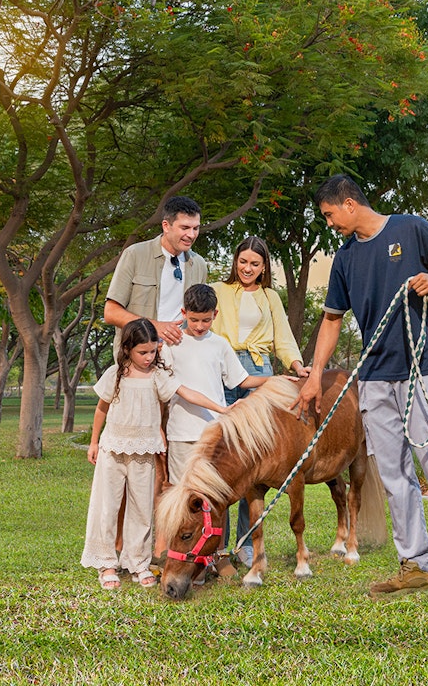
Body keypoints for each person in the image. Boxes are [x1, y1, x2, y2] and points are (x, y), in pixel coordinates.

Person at [290, 174, 428, 607]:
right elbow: (331, 319)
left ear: (349, 204)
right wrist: (314, 376)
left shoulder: (410, 228)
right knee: (395, 476)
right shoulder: (345, 258)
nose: (330, 224)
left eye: (330, 215)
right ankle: (416, 565)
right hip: (375, 379)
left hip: (422, 372)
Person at [81, 318, 228, 590]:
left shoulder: (158, 376)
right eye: (143, 352)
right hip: (112, 449)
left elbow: (187, 393)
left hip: (144, 452)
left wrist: (222, 409)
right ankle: (106, 563)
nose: (149, 357)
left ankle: (137, 562)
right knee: (107, 506)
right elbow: (101, 409)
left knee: (141, 508)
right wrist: (93, 442)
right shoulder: (114, 375)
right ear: (127, 349)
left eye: (153, 351)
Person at [211, 236, 310, 565]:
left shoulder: (270, 298)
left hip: (261, 371)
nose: (247, 268)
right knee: (224, 458)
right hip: (224, 366)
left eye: (255, 264)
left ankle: (246, 542)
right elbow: (198, 323)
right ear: (234, 261)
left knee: (253, 461)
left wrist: (298, 367)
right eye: (243, 262)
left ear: (264, 267)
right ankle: (218, 545)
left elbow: (283, 337)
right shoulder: (219, 290)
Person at [162, 284, 272, 485]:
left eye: (206, 320)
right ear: (184, 313)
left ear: (215, 314)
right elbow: (166, 389)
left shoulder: (220, 344)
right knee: (181, 491)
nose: (199, 326)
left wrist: (274, 379)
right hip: (181, 433)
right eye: (194, 320)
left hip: (215, 432)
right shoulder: (171, 344)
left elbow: (242, 380)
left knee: (214, 490)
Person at [104, 196, 207, 353]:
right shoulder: (135, 254)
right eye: (185, 228)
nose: (191, 235)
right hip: (137, 357)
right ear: (166, 226)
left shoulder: (199, 264)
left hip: (181, 355)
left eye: (196, 228)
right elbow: (111, 312)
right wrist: (154, 327)